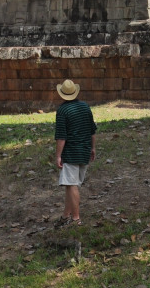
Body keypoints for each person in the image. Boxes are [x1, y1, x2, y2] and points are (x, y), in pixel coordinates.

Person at [53, 78, 96, 227]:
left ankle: (76, 219)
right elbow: (92, 130)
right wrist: (93, 148)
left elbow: (61, 136)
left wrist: (58, 155)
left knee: (72, 185)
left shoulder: (63, 111)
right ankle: (66, 216)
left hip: (71, 153)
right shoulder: (85, 107)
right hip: (84, 151)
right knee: (69, 185)